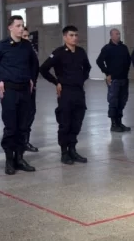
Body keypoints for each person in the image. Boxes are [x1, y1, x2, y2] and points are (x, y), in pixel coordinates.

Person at [0, 15, 39, 175]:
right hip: (9, 91)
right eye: (19, 25)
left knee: (23, 126)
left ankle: (20, 158)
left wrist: (31, 80)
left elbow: (34, 65)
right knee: (11, 127)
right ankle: (9, 160)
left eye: (23, 25)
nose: (22, 28)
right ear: (10, 28)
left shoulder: (27, 46)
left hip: (24, 91)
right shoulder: (2, 46)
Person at [39, 25, 91, 165]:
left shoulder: (81, 52)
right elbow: (43, 69)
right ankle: (64, 152)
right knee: (65, 122)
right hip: (66, 92)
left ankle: (73, 149)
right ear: (65, 37)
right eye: (71, 35)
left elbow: (87, 67)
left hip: (79, 92)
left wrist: (82, 79)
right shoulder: (59, 52)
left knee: (77, 122)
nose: (74, 38)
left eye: (76, 35)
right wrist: (56, 82)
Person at [96, 28, 132, 132]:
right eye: (116, 34)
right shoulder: (107, 48)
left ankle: (120, 122)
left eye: (119, 34)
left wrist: (126, 71)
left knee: (122, 101)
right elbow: (99, 61)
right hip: (114, 80)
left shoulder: (123, 47)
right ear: (111, 36)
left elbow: (128, 60)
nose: (119, 35)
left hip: (124, 79)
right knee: (113, 102)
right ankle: (114, 124)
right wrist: (107, 73)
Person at [22, 27, 39, 152]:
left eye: (28, 36)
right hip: (18, 88)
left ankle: (25, 141)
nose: (27, 38)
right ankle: (19, 141)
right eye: (24, 36)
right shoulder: (13, 50)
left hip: (31, 88)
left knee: (30, 114)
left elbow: (36, 67)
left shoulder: (31, 50)